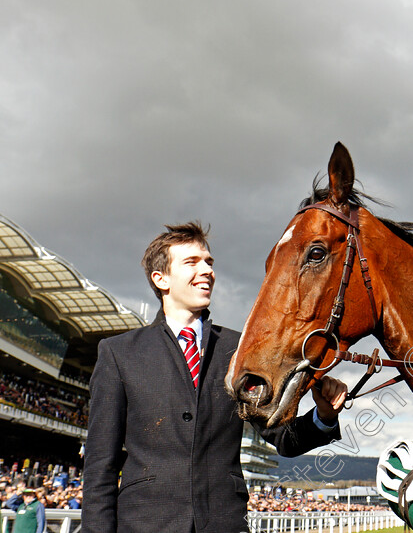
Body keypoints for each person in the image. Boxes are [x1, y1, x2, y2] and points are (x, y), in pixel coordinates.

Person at [82, 222, 348, 533]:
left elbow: (283, 439)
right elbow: (100, 464)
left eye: (209, 262)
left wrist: (324, 415)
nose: (207, 270)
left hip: (224, 523)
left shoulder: (242, 350)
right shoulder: (118, 353)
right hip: (143, 523)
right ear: (161, 278)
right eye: (192, 262)